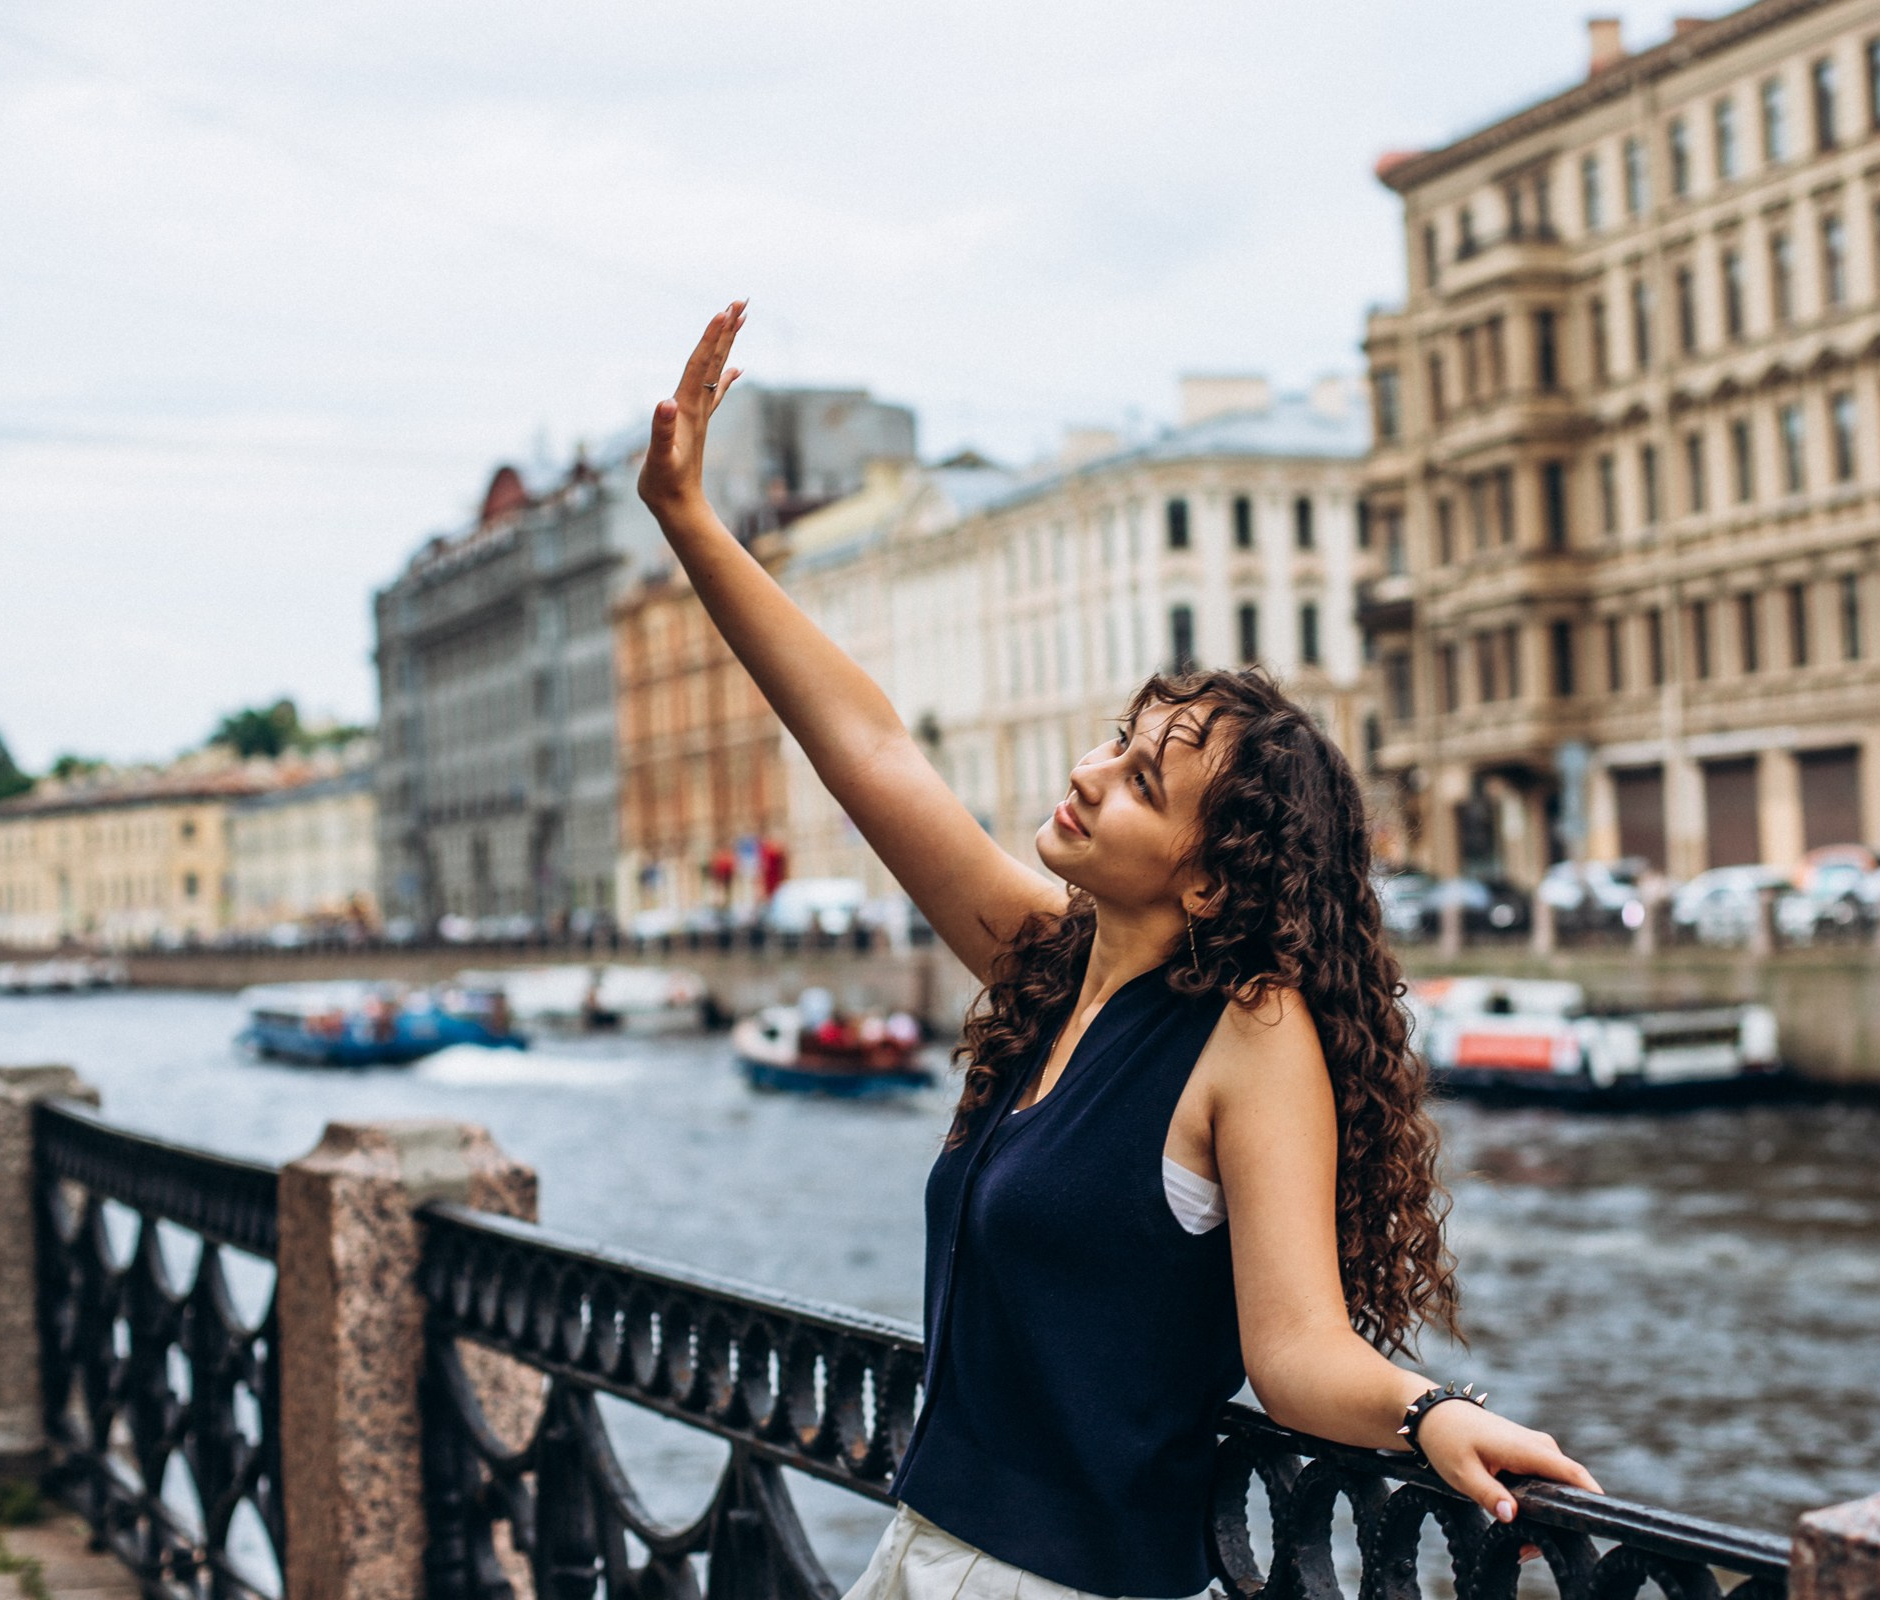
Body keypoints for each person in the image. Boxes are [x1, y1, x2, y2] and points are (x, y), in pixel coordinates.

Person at [639, 303, 1599, 1600]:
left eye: (1143, 781)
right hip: (924, 1556)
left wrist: (1431, 1414)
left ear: (1209, 878)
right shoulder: (1049, 969)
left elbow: (1299, 1344)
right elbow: (871, 750)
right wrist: (691, 522)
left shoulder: (1251, 1034)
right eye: (1117, 742)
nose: (1092, 775)